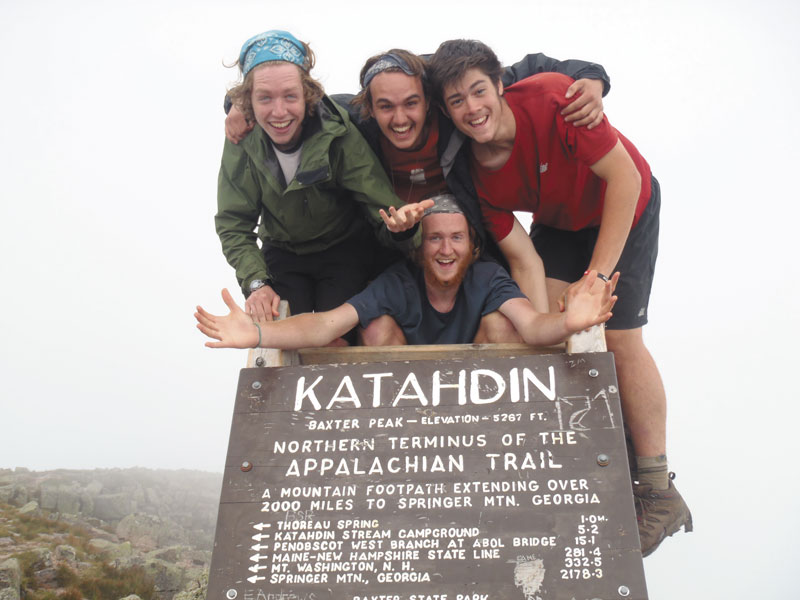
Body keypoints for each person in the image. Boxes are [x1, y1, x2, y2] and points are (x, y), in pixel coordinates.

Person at [423, 39, 691, 557]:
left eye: (479, 90)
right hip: (560, 222)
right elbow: (526, 262)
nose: (471, 108)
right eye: (456, 101)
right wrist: (548, 328)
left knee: (616, 334)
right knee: (556, 329)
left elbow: (625, 178)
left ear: (500, 84)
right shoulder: (473, 176)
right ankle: (578, 461)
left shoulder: (552, 97)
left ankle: (658, 488)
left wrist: (597, 277)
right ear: (445, 108)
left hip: (624, 203)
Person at [196, 194, 618, 349]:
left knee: (503, 325)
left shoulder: (487, 277)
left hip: (481, 401)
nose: (446, 249)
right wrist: (257, 334)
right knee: (374, 326)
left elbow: (532, 326)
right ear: (419, 248)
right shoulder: (398, 282)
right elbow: (326, 324)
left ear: (472, 246)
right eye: (434, 238)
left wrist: (567, 323)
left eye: (456, 238)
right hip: (407, 411)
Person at [216, 30, 425, 330]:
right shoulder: (242, 139)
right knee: (276, 324)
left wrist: (403, 229)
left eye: (290, 96)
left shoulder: (338, 132)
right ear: (247, 101)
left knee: (339, 331)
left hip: (342, 248)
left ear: (308, 94)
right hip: (282, 252)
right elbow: (233, 222)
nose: (279, 112)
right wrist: (256, 282)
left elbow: (380, 206)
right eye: (265, 98)